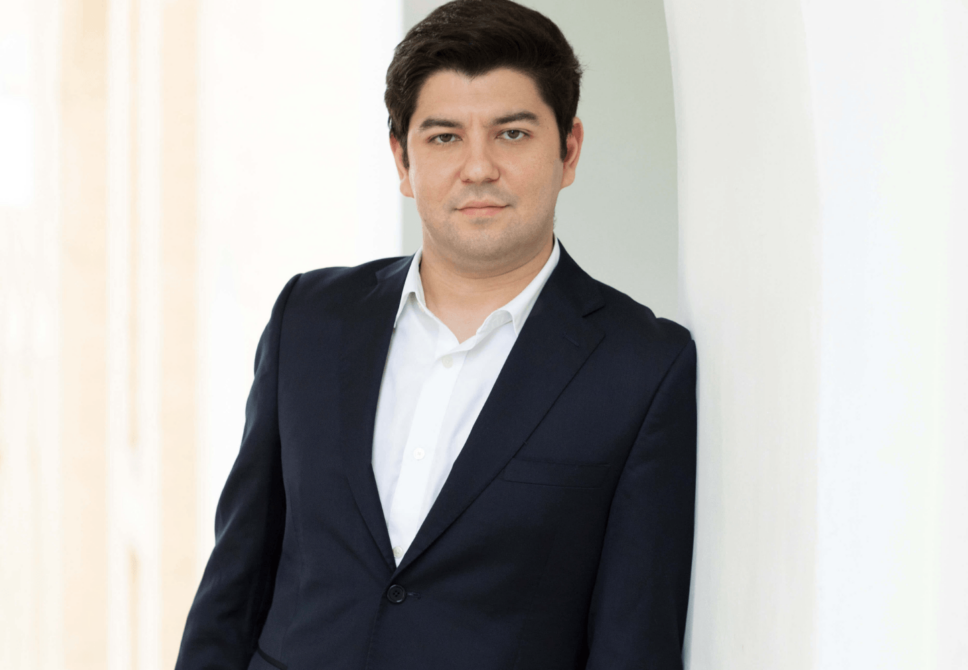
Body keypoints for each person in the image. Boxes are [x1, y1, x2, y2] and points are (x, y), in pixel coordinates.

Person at [174, 1, 697, 668]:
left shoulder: (643, 367)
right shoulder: (309, 317)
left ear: (568, 151)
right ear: (402, 159)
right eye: (444, 137)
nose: (478, 168)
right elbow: (234, 584)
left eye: (512, 134)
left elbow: (634, 641)